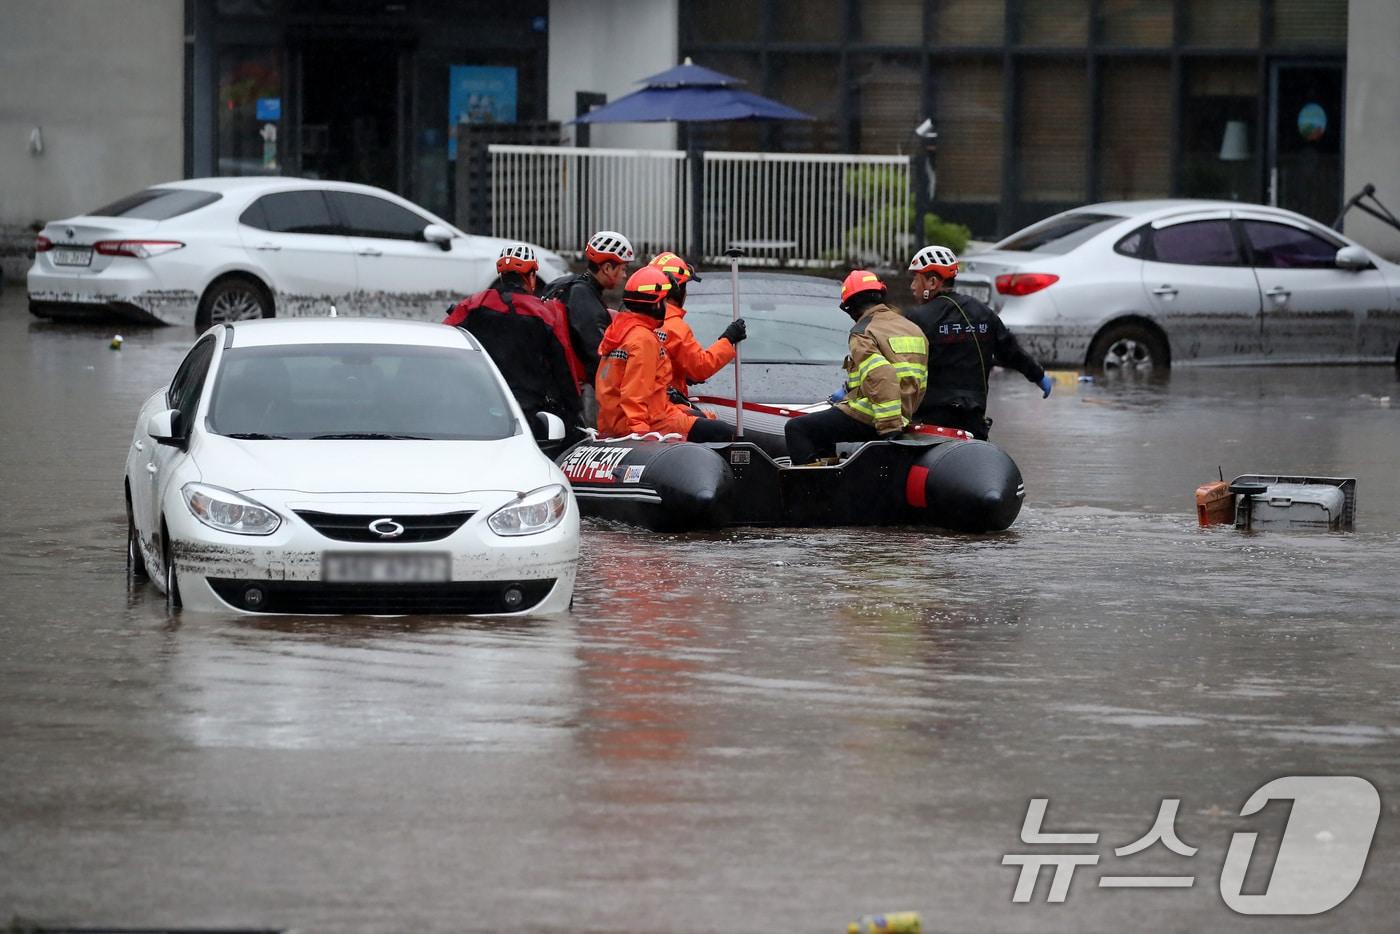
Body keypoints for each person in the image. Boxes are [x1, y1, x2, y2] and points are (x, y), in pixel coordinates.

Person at [903, 245, 1051, 439]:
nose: (912, 286)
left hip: (930, 420)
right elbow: (1010, 350)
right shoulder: (982, 312)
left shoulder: (916, 318)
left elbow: (899, 364)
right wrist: (1038, 375)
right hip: (973, 419)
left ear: (932, 282)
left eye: (916, 279)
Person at [443, 243, 583, 444]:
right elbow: (564, 367)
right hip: (526, 410)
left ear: (501, 275)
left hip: (476, 407)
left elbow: (444, 338)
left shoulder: (473, 305)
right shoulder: (544, 313)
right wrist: (574, 411)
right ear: (531, 276)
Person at [784, 270, 928, 466]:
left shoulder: (863, 332)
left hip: (878, 416)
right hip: (903, 413)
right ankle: (830, 472)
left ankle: (815, 491)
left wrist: (890, 429)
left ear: (851, 307)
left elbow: (882, 376)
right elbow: (919, 378)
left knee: (797, 429)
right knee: (823, 431)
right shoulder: (913, 328)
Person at [595, 266, 733, 443]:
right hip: (647, 422)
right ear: (657, 304)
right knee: (719, 431)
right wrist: (640, 435)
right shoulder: (643, 339)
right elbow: (635, 394)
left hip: (616, 420)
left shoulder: (619, 332)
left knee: (701, 416)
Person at [545, 230, 635, 429]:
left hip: (552, 387)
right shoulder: (585, 298)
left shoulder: (564, 285)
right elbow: (599, 356)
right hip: (580, 393)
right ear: (607, 267)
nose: (625, 275)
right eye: (623, 268)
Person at [647, 251, 747, 399]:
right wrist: (728, 339)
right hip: (663, 407)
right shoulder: (674, 327)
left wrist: (681, 375)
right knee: (715, 422)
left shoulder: (642, 319)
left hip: (642, 405)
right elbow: (700, 367)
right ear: (678, 290)